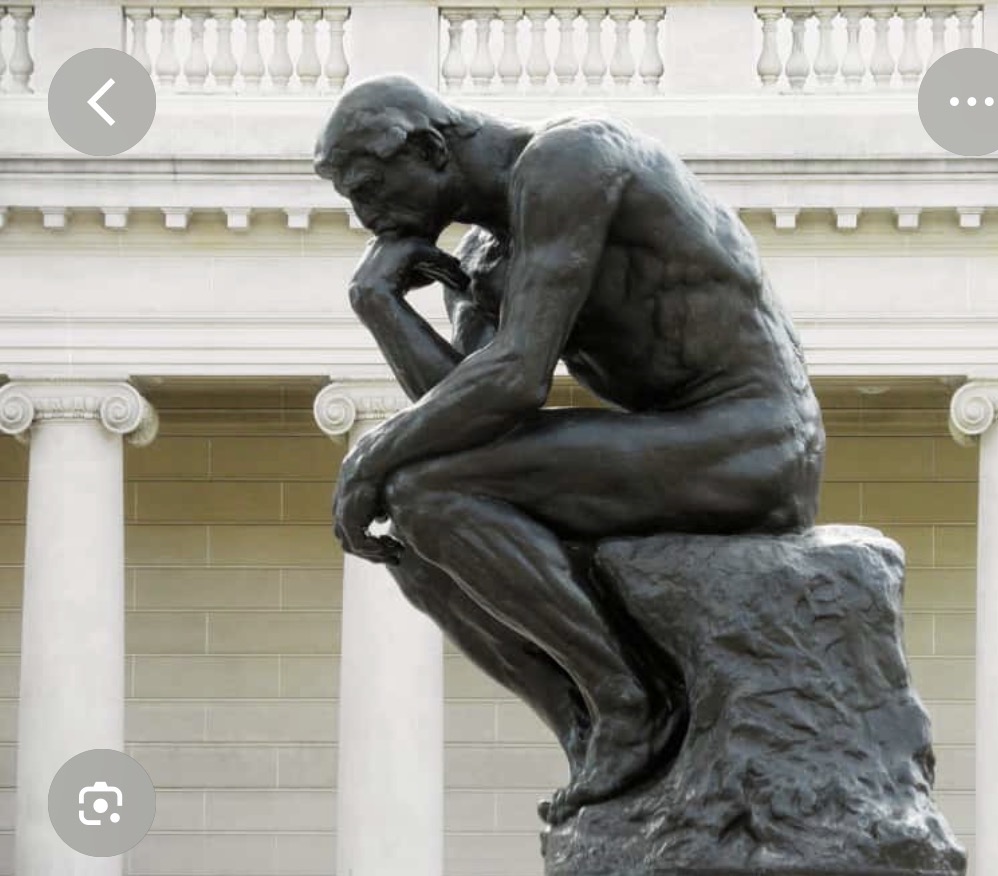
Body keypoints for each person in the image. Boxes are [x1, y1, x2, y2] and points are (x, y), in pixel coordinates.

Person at [313, 75, 826, 824]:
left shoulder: (572, 160)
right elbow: (473, 416)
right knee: (412, 530)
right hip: (677, 447)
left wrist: (371, 457)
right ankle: (589, 728)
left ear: (428, 148)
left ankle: (630, 703)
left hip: (754, 441)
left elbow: (516, 381)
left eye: (368, 188)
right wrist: (380, 307)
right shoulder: (485, 257)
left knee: (422, 491)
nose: (366, 218)